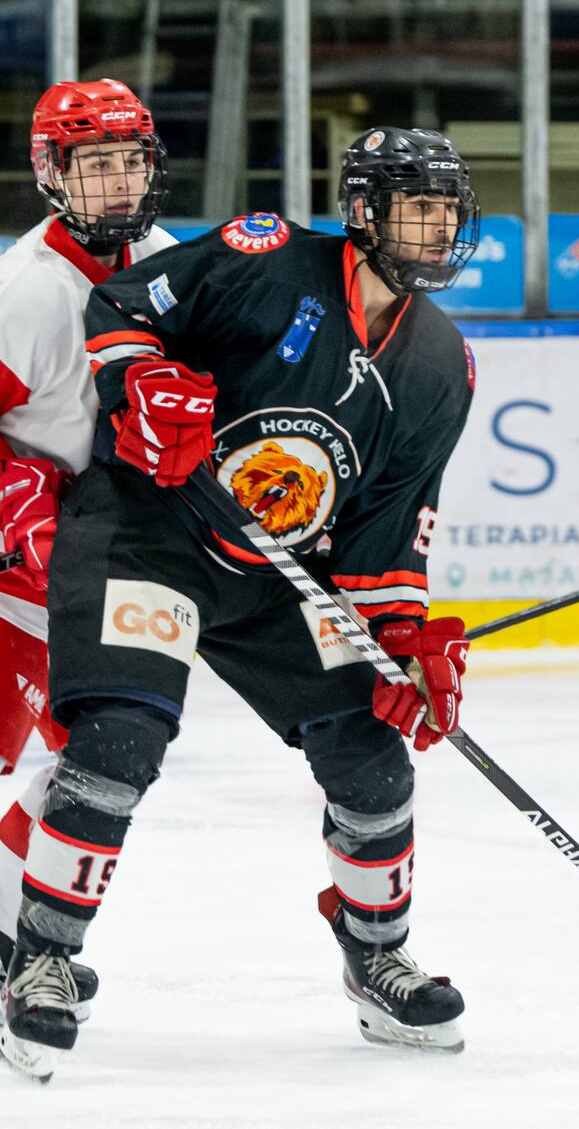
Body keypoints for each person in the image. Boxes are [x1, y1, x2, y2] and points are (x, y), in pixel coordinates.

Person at [0, 127, 480, 1079]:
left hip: (276, 574)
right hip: (151, 531)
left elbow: (388, 526)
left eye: (447, 213)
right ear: (364, 213)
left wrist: (402, 639)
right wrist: (142, 382)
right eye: (415, 209)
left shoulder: (442, 366)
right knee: (119, 742)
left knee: (371, 757)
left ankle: (377, 957)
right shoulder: (269, 256)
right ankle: (41, 960)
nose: (434, 231)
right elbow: (125, 302)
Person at [0, 79, 174, 1026]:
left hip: (101, 554)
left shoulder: (169, 263)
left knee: (86, 754)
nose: (117, 182)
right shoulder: (25, 291)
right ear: (52, 172)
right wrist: (14, 494)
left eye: (131, 159)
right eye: (94, 162)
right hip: (16, 560)